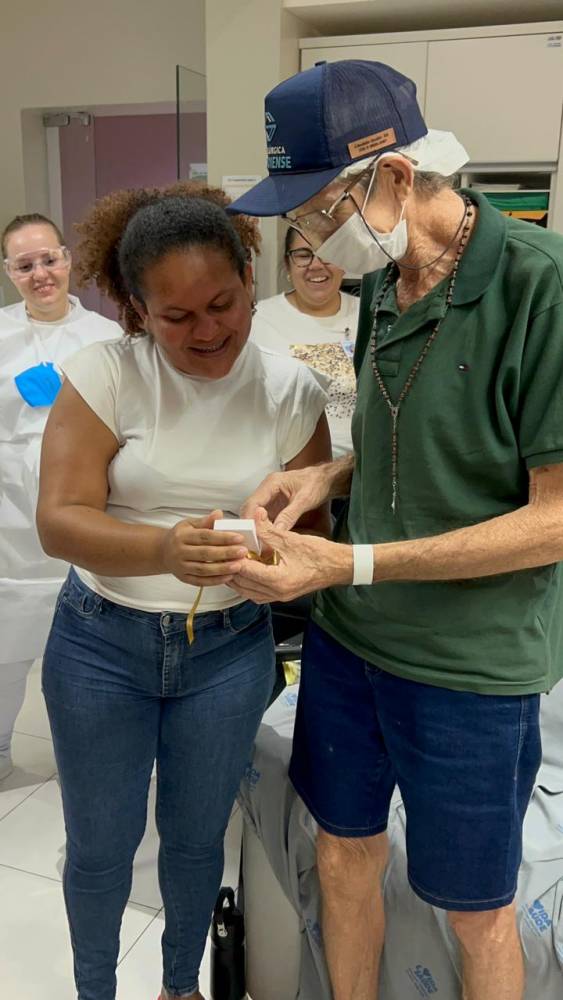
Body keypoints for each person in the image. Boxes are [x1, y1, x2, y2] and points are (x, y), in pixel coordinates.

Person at [228, 59, 563, 1000]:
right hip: (351, 642)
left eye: (317, 209)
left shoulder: (540, 290)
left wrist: (348, 560)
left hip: (469, 662)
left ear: (396, 178)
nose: (308, 237)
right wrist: (317, 482)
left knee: (475, 906)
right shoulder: (385, 280)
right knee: (341, 854)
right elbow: (400, 431)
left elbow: (553, 520)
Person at [36, 185, 330, 1000]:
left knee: (197, 840)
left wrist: (278, 545)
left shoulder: (292, 393)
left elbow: (315, 532)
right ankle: (95, 988)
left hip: (229, 651)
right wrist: (163, 546)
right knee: (100, 845)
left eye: (224, 304)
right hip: (102, 644)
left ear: (248, 275)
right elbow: (59, 522)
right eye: (177, 317)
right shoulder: (103, 375)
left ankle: (179, 987)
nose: (208, 331)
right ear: (136, 310)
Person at [0, 212, 120, 781]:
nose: (41, 273)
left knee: (87, 656)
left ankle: (95, 761)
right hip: (9, 522)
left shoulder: (106, 336)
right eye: (25, 265)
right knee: (5, 650)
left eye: (49, 259)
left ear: (69, 259)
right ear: (8, 273)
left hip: (84, 513)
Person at [253, 226, 360, 458]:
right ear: (288, 264)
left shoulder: (370, 315)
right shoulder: (258, 320)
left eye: (329, 253)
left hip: (360, 470)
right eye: (303, 255)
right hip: (288, 468)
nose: (316, 264)